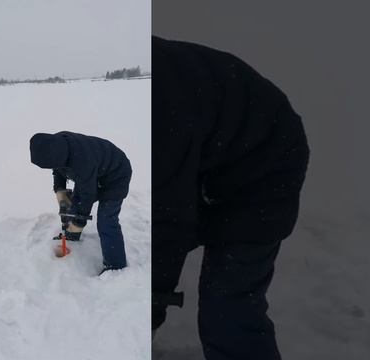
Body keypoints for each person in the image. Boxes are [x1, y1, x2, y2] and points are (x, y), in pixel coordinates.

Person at [151, 35, 310, 360]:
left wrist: (148, 308)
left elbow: (167, 221)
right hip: (211, 162)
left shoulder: (160, 108)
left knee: (228, 307)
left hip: (265, 167)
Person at [29, 131, 132, 275]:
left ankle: (116, 267)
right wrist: (61, 191)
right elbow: (58, 169)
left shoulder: (82, 161)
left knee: (106, 220)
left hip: (116, 174)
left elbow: (87, 195)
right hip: (94, 172)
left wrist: (78, 218)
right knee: (75, 205)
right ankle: (72, 235)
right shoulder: (56, 144)